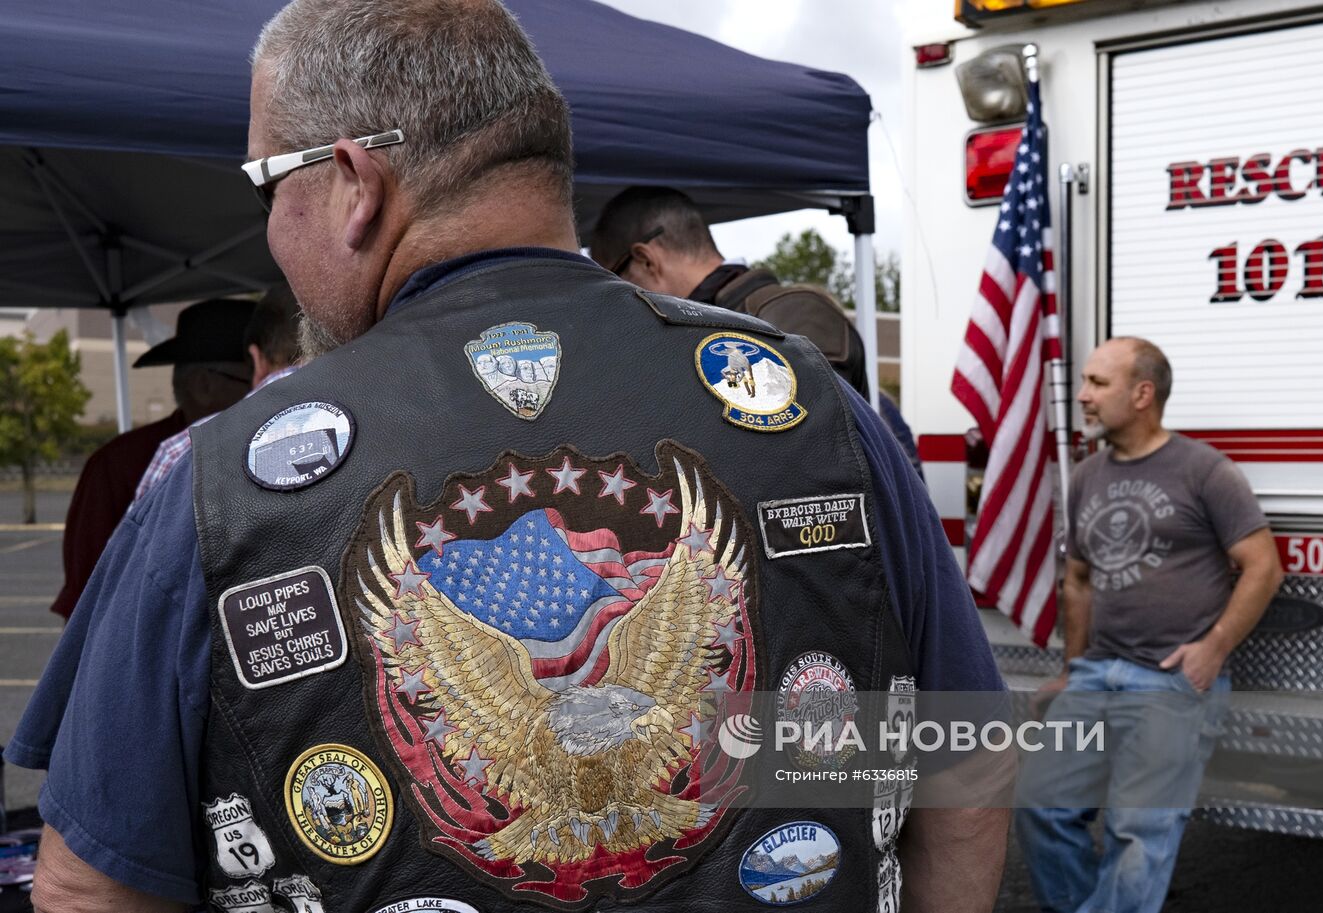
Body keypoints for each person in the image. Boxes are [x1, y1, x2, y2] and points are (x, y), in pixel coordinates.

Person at [10, 2, 1007, 911]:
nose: (270, 226)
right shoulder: (812, 404)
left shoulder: (214, 481)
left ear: (355, 185)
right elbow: (961, 778)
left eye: (269, 182)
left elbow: (92, 886)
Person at [1014, 337, 1283, 913]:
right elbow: (1079, 582)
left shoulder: (1204, 470)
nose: (1082, 396)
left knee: (1139, 833)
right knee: (1039, 804)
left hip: (1169, 681)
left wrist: (1212, 648)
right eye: (1084, 382)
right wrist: (1070, 670)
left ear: (1143, 394)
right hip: (1095, 677)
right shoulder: (1087, 475)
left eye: (1098, 384)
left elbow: (1262, 565)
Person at [48, 299, 253, 620]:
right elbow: (84, 600)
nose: (269, 391)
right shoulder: (119, 465)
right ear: (204, 385)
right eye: (255, 380)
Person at [590, 186, 870, 397]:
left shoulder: (794, 313)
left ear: (646, 260)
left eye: (616, 279)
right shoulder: (690, 329)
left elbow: (817, 445)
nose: (622, 299)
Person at [133, 284, 302, 503]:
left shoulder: (179, 455)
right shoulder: (124, 463)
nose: (256, 393)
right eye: (247, 376)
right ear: (203, 386)